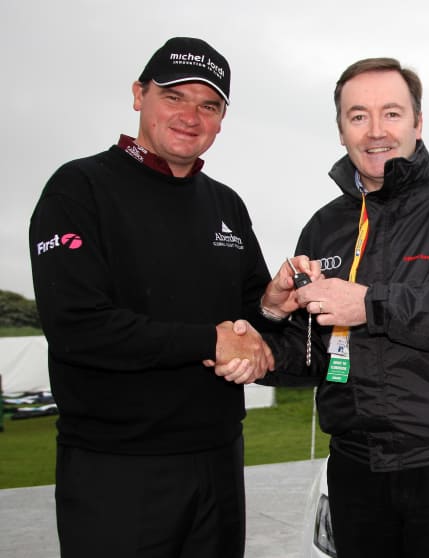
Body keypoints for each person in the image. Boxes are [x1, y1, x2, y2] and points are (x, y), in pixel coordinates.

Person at [252, 57, 429, 557]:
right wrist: (268, 325)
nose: (375, 131)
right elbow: (311, 354)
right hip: (357, 469)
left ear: (418, 123)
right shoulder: (325, 226)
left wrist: (371, 304)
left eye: (392, 113)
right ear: (341, 131)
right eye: (358, 116)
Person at [28, 37, 276, 558]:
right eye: (174, 96)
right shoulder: (79, 188)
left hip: (218, 458)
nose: (190, 116)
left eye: (209, 105)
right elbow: (78, 326)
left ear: (222, 118)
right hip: (116, 467)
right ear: (139, 95)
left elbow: (247, 319)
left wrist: (271, 307)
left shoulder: (225, 204)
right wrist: (208, 339)